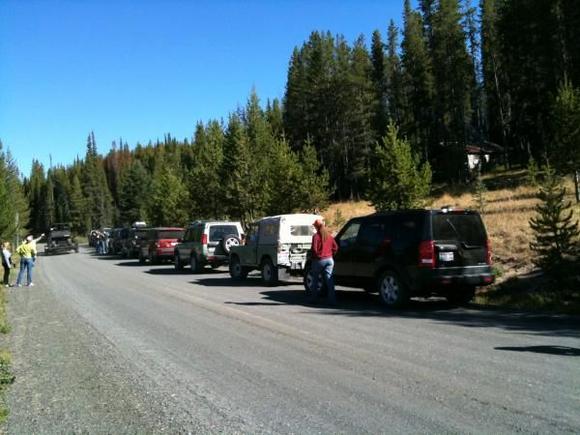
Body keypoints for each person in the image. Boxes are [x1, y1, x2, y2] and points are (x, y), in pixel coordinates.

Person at [308, 219, 339, 305]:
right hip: (329, 260)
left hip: (319, 260)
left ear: (317, 226)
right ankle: (332, 300)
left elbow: (314, 250)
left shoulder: (316, 236)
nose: (314, 227)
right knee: (329, 280)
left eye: (315, 225)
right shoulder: (329, 236)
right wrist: (331, 254)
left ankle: (314, 299)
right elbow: (335, 247)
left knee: (315, 280)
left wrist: (314, 257)